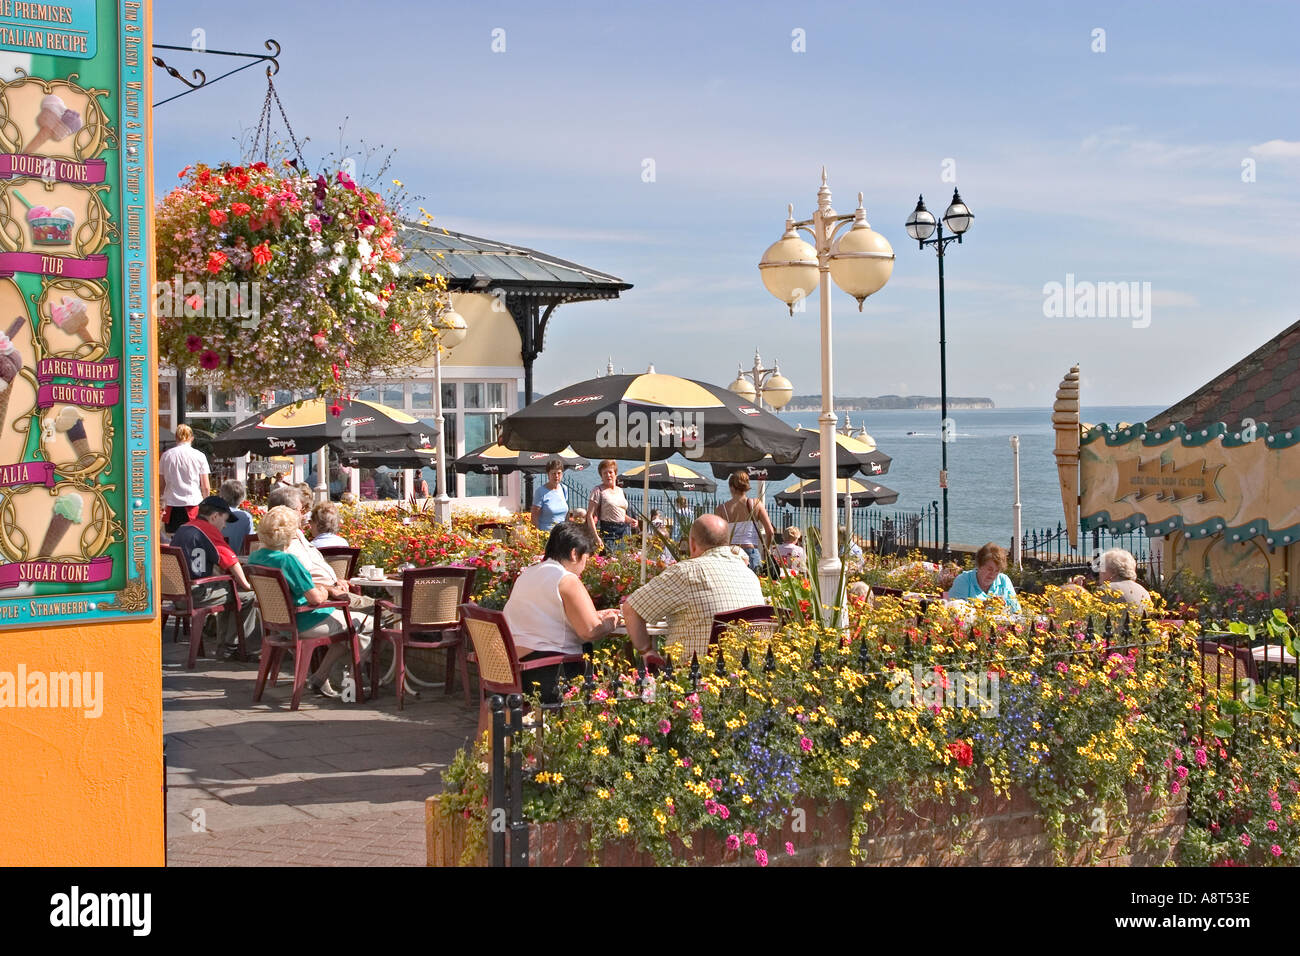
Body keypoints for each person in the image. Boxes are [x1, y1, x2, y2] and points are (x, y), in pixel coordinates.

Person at [503, 523, 621, 703]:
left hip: (514, 671)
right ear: (575, 554)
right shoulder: (566, 579)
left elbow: (549, 615)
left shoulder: (528, 574)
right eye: (586, 559)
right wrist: (611, 621)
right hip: (550, 673)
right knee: (610, 685)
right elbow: (590, 631)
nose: (584, 567)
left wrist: (595, 613)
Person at [247, 506, 359, 696]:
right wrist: (326, 591)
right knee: (363, 624)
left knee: (354, 626)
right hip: (304, 622)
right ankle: (350, 686)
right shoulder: (287, 560)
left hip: (278, 624)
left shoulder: (256, 557)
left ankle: (321, 677)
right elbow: (314, 598)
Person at [622, 515, 765, 662]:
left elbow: (631, 609)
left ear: (692, 544)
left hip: (698, 675)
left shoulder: (687, 572)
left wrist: (646, 651)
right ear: (727, 542)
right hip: (746, 671)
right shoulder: (749, 575)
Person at [170, 495, 259, 657]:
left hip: (178, 597)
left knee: (229, 590)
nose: (224, 526)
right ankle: (232, 646)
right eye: (224, 520)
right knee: (248, 595)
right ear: (214, 516)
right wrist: (246, 585)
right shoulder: (207, 530)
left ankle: (226, 646)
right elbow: (231, 560)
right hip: (196, 593)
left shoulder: (183, 528)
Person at [715, 471, 775, 573]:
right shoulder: (756, 504)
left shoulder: (721, 509)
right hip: (751, 553)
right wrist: (766, 549)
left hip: (731, 553)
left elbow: (716, 536)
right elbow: (770, 531)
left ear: (731, 487)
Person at [159, 424, 212, 534]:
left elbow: (161, 485)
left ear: (176, 438)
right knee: (193, 538)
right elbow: (205, 487)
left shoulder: (166, 456)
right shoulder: (199, 456)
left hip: (171, 505)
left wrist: (160, 502)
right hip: (193, 503)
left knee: (172, 542)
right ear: (192, 438)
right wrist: (206, 504)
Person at [946, 542, 1021, 613]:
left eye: (997, 570)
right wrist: (985, 606)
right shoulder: (963, 580)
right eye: (989, 569)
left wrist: (1004, 606)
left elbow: (1016, 611)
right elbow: (954, 611)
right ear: (979, 565)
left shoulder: (1004, 580)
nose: (993, 574)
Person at [587, 460, 638, 551]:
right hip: (608, 531)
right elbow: (590, 515)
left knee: (622, 560)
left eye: (610, 472)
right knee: (610, 559)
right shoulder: (598, 490)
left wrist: (631, 520)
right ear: (601, 476)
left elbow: (620, 513)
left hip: (623, 531)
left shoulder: (620, 491)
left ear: (615, 474)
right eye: (605, 473)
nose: (608, 475)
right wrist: (596, 537)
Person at [1097, 548, 1153, 613]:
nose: (1099, 571)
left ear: (1114, 572)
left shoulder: (1107, 590)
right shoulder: (1143, 591)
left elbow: (1091, 618)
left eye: (1102, 567)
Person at [531, 458, 569, 532]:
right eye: (553, 473)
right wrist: (536, 535)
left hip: (562, 534)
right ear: (548, 474)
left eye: (559, 473)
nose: (556, 476)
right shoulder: (540, 492)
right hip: (546, 534)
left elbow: (566, 514)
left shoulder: (564, 489)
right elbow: (534, 516)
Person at [217, 479, 253, 554]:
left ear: (222, 496)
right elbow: (249, 542)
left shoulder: (214, 514)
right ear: (242, 497)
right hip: (238, 559)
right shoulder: (246, 517)